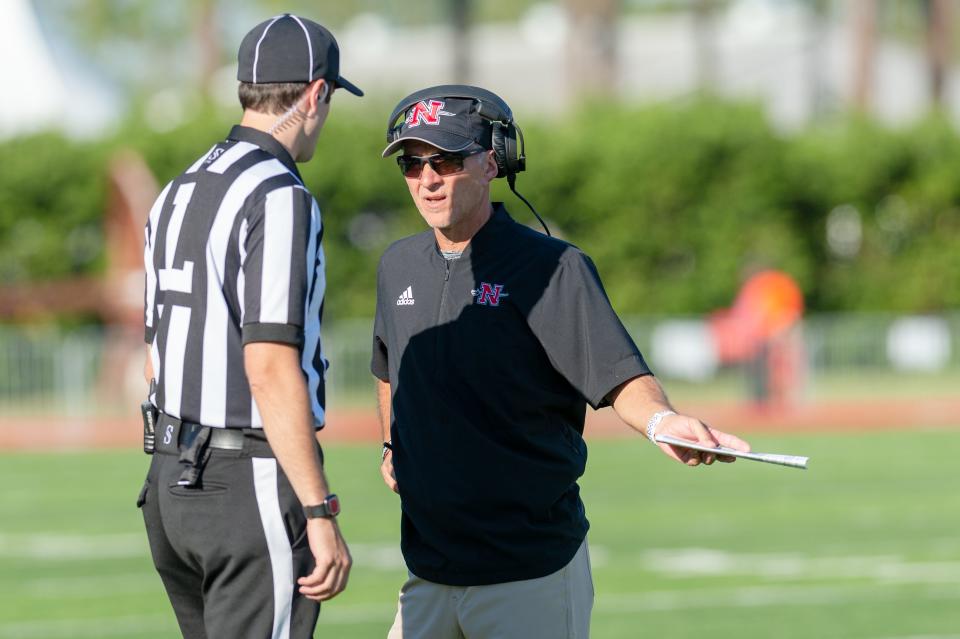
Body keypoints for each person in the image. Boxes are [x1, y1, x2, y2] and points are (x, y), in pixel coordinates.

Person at [371, 85, 753, 639]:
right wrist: (391, 442)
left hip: (528, 575)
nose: (427, 179)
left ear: (493, 160)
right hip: (427, 573)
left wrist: (661, 420)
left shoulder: (552, 267)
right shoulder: (397, 264)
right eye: (412, 163)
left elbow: (619, 374)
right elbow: (388, 366)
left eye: (447, 160)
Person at [138, 14, 360, 638]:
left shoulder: (178, 188)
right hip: (246, 479)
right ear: (316, 93)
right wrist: (318, 508)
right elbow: (267, 364)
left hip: (169, 479)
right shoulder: (279, 194)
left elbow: (155, 348)